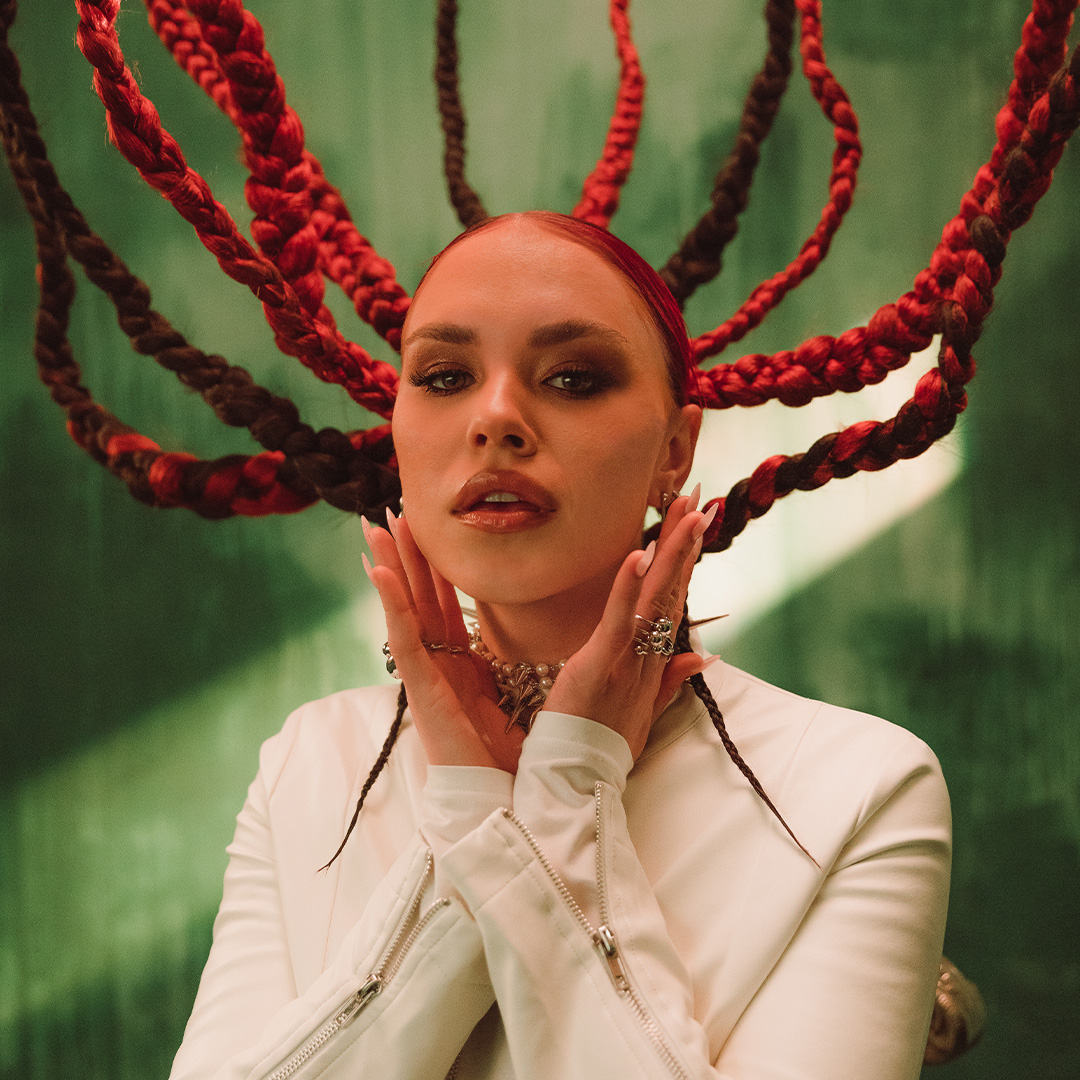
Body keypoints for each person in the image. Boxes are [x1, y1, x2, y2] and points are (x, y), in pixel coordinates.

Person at [167, 211, 951, 1080]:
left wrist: (573, 787)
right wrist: (474, 811)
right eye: (445, 376)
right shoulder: (310, 762)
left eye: (574, 378)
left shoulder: (859, 789)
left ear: (675, 450)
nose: (496, 417)